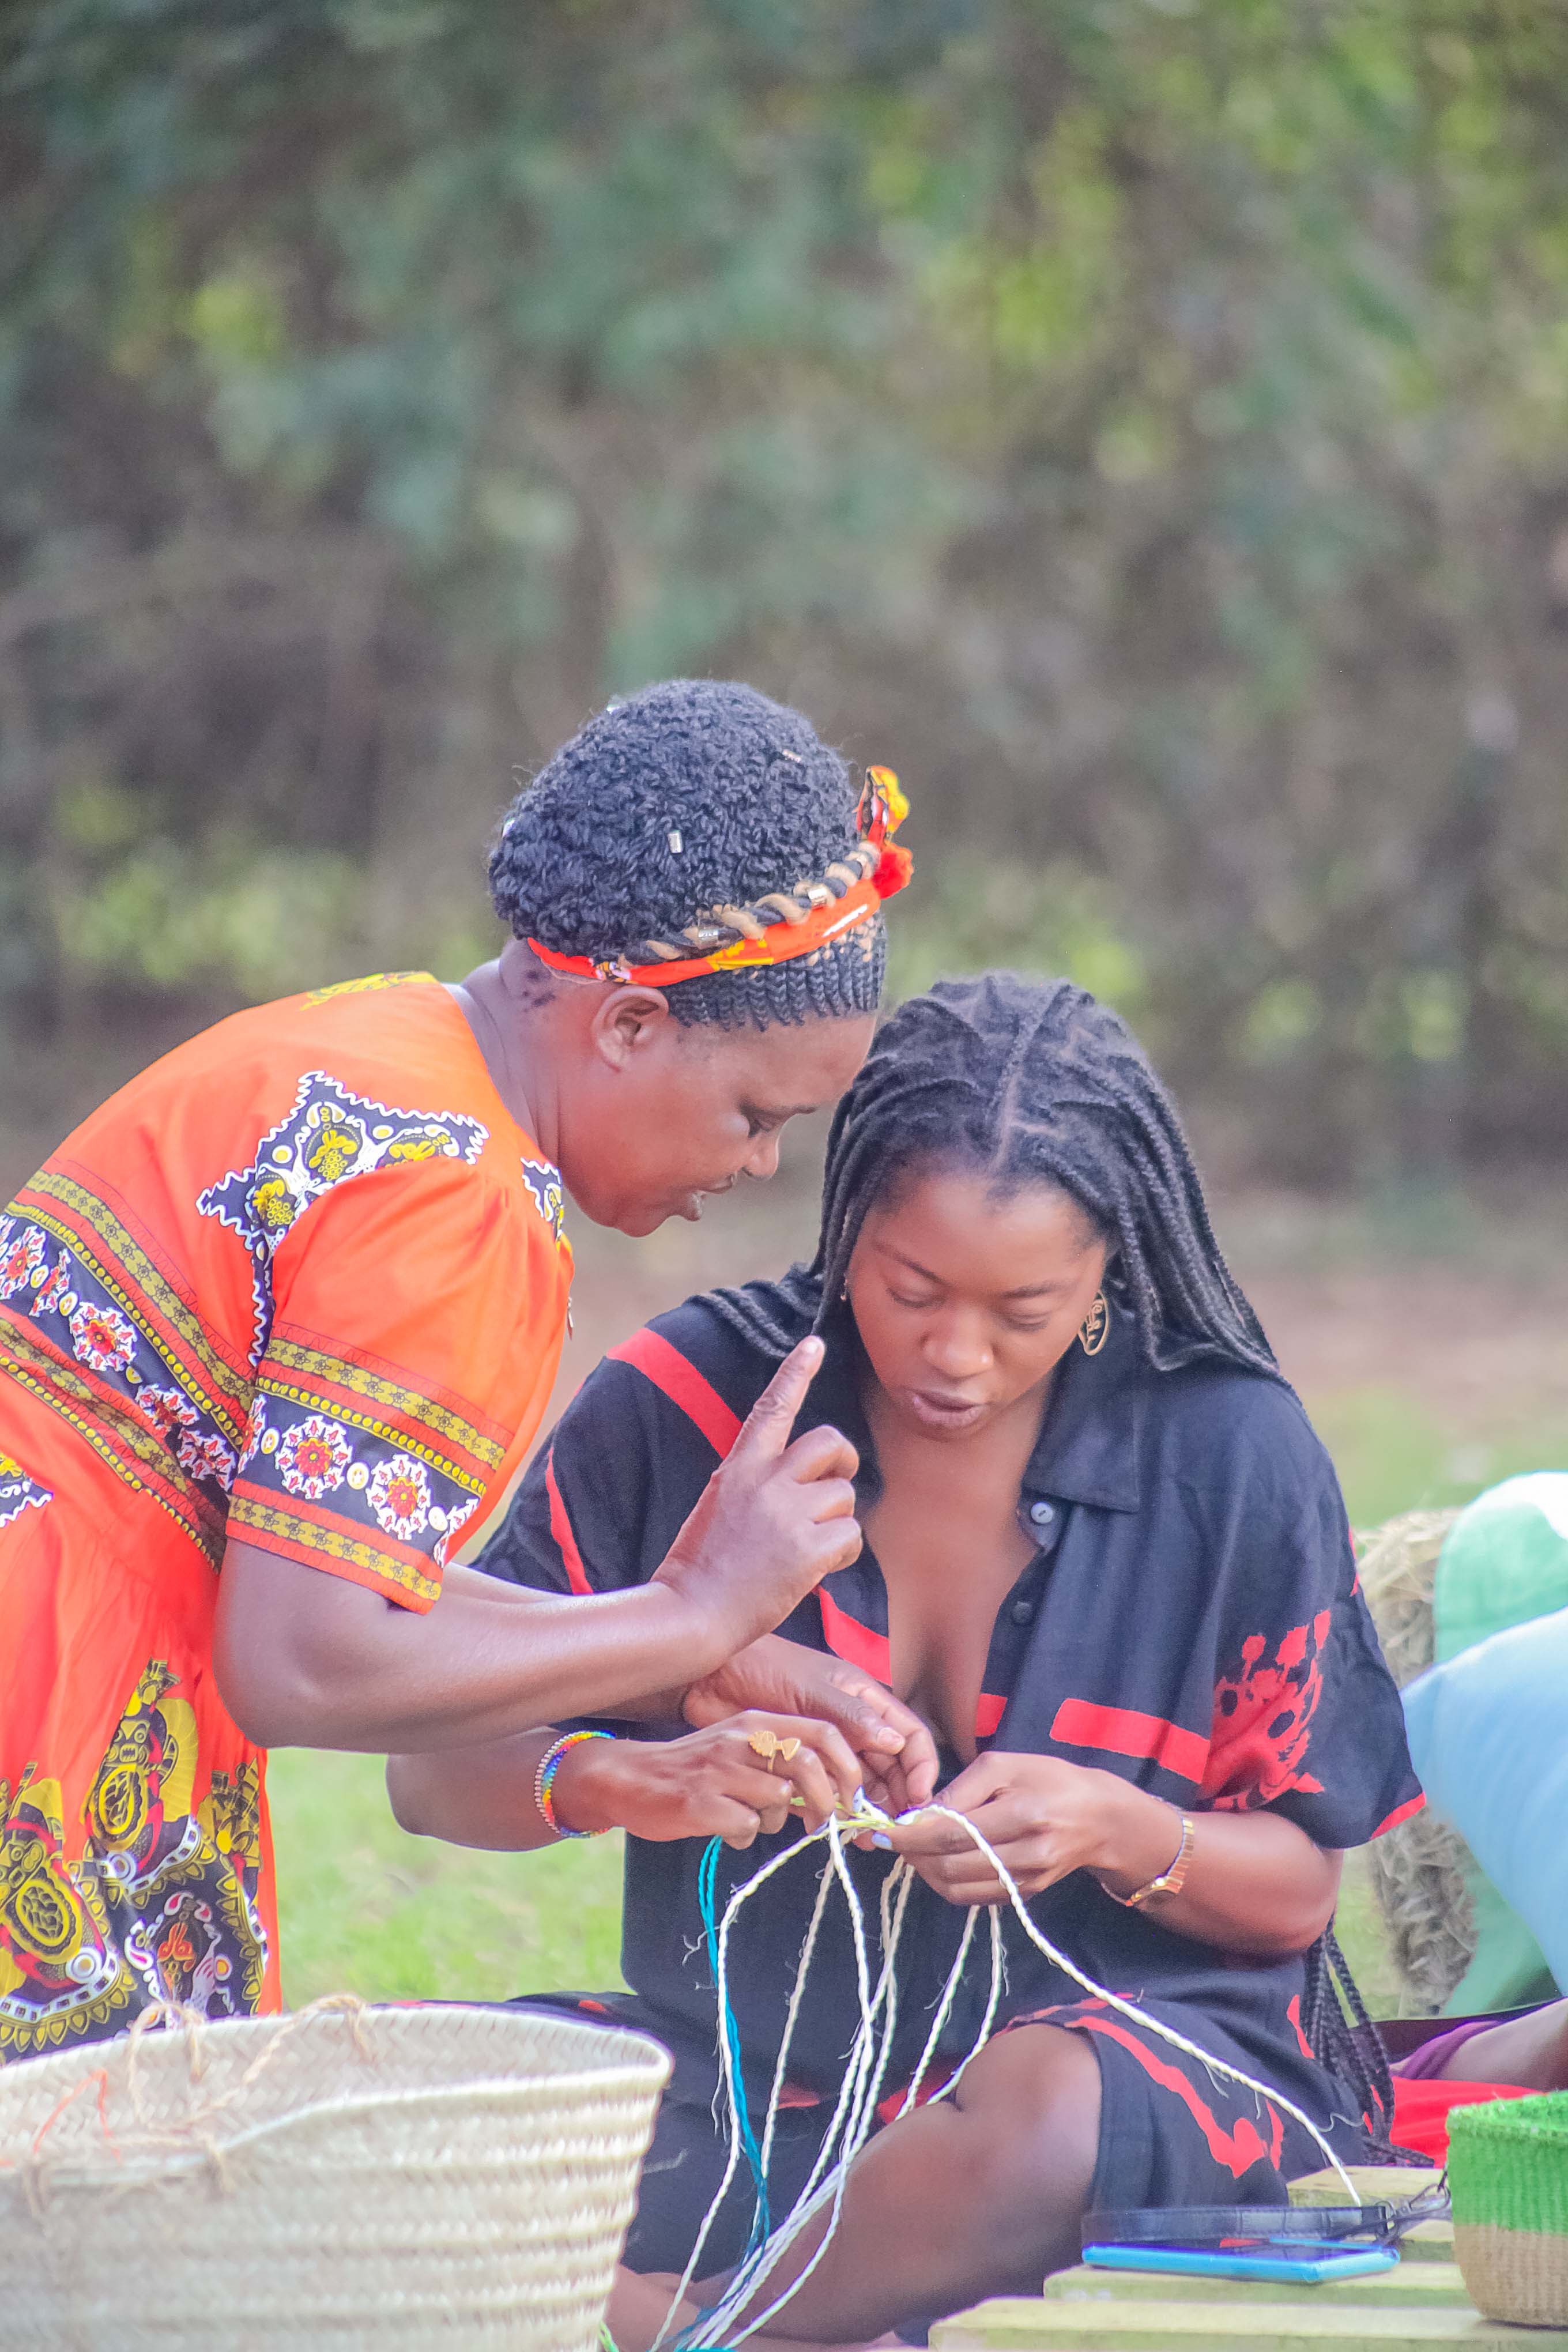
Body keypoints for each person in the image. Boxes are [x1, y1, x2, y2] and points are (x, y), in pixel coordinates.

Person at [390, 973, 1423, 2350]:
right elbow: (431, 1770)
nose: (956, 1354)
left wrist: (1115, 1827)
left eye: (1025, 1308)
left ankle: (711, 2334)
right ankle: (801, 2312)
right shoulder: (693, 1406)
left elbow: (1295, 1898)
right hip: (753, 2092)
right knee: (405, 2122)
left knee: (1046, 2120)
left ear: (1110, 1269)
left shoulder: (1228, 1462)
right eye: (911, 1288)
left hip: (1120, 2093)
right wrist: (625, 1779)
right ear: (847, 1225)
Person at [0, 677, 914, 2064]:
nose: (757, 1164)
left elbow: (327, 1575)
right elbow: (303, 1659)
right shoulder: (468, 1201)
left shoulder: (389, 1047)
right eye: (751, 1112)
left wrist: (690, 1659)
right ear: (623, 1026)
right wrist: (687, 1615)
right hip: (47, 1676)